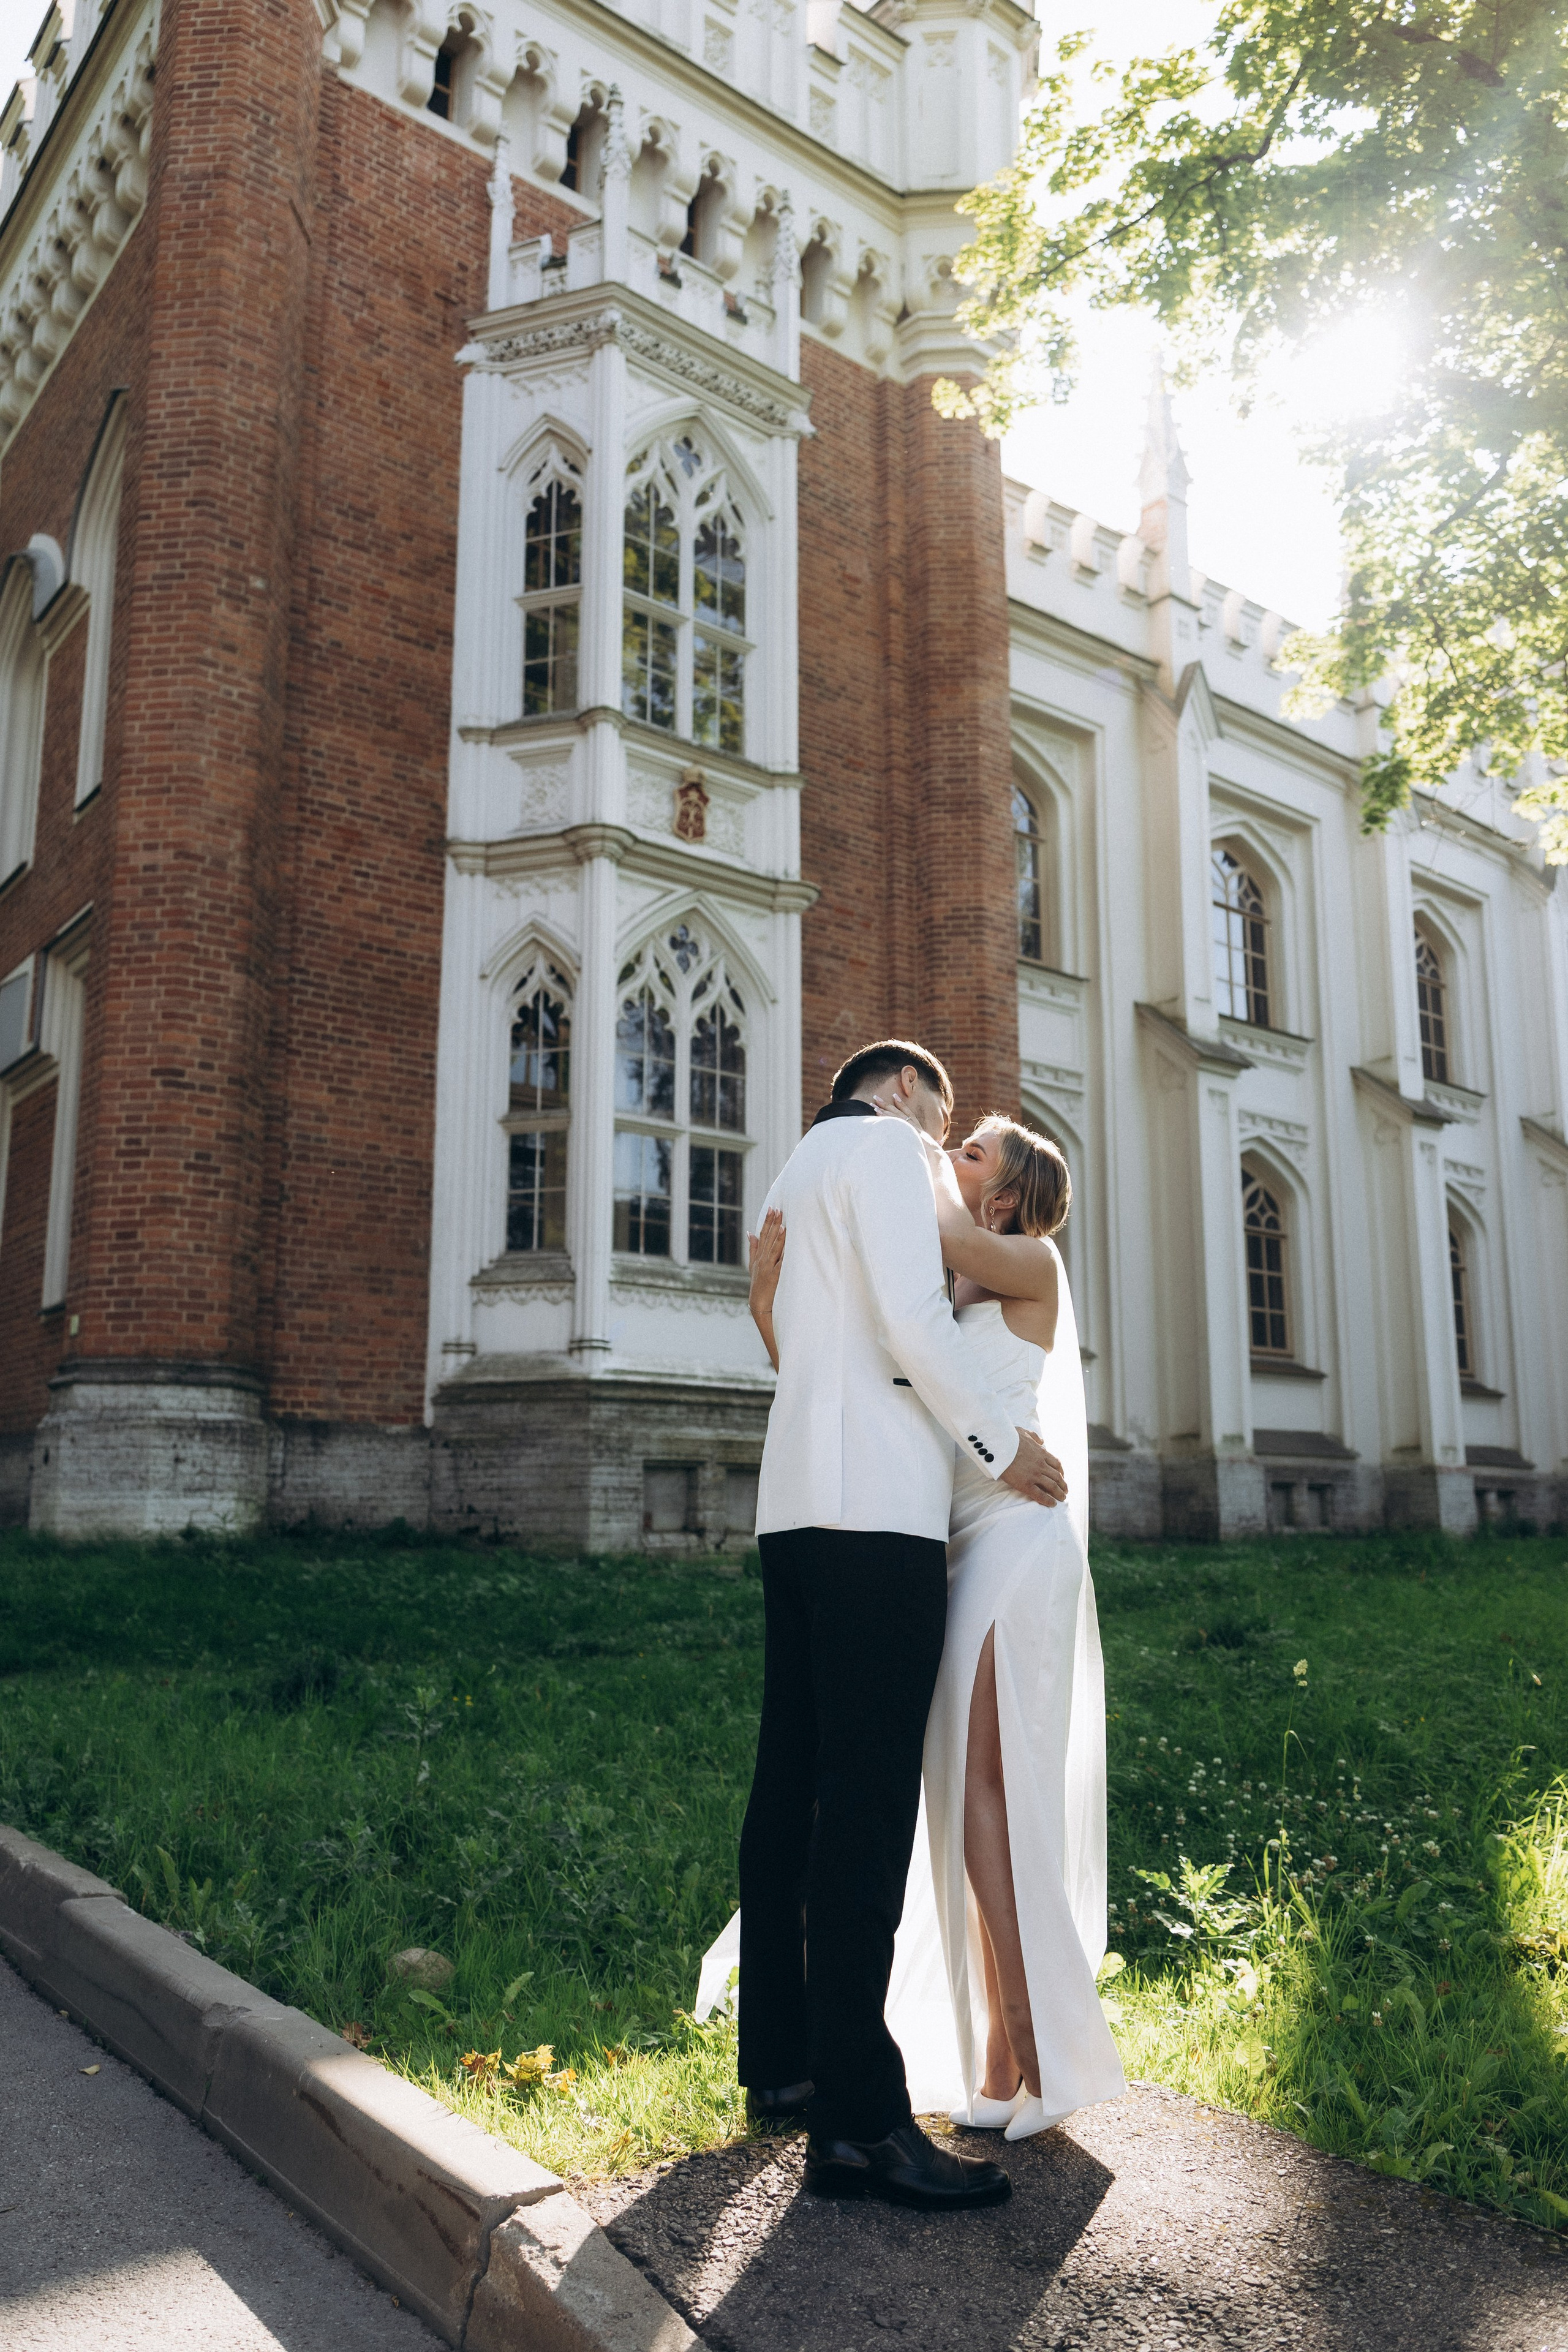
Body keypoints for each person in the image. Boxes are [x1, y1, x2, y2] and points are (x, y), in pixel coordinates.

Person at [717, 1106, 1123, 2155]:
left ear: (1005, 1197)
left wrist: (879, 1163)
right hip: (947, 1559)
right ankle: (995, 2058)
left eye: (969, 1151)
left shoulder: (1031, 1267)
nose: (945, 1154)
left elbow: (912, 1220)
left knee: (991, 1793)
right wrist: (771, 1304)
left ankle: (1037, 2049)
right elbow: (844, 1388)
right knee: (955, 1805)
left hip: (1017, 1548)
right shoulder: (935, 1306)